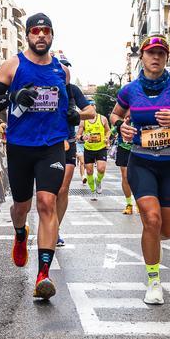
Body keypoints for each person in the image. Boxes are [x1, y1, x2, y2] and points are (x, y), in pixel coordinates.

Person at [0, 13, 74, 301]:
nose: (41, 36)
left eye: (46, 31)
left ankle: (43, 275)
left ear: (52, 36)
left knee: (47, 202)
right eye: (36, 31)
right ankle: (20, 233)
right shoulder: (13, 65)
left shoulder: (62, 71)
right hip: (21, 146)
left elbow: (68, 105)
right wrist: (13, 97)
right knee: (21, 207)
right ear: (27, 35)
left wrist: (72, 115)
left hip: (51, 146)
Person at [110, 35, 170, 305]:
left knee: (166, 230)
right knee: (151, 219)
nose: (156, 57)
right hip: (142, 161)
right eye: (151, 53)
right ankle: (153, 281)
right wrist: (121, 127)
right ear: (142, 56)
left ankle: (151, 240)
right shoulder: (130, 90)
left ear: (166, 58)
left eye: (161, 53)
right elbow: (115, 115)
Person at [55, 54, 97, 247]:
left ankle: (54, 230)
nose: (65, 70)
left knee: (63, 189)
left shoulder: (72, 91)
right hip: (45, 144)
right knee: (47, 193)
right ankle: (45, 225)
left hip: (68, 143)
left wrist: (76, 115)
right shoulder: (42, 88)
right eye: (61, 66)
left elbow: (91, 112)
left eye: (67, 67)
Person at [79, 113, 111, 200]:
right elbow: (78, 136)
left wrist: (107, 137)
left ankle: (98, 181)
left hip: (101, 148)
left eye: (93, 105)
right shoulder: (83, 121)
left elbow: (108, 130)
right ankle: (93, 191)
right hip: (88, 149)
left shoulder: (103, 118)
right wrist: (82, 137)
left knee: (101, 169)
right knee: (89, 172)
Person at [114, 121, 136, 213]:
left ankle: (140, 202)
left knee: (140, 176)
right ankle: (129, 204)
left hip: (139, 147)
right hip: (124, 148)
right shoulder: (121, 113)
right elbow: (112, 130)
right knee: (125, 176)